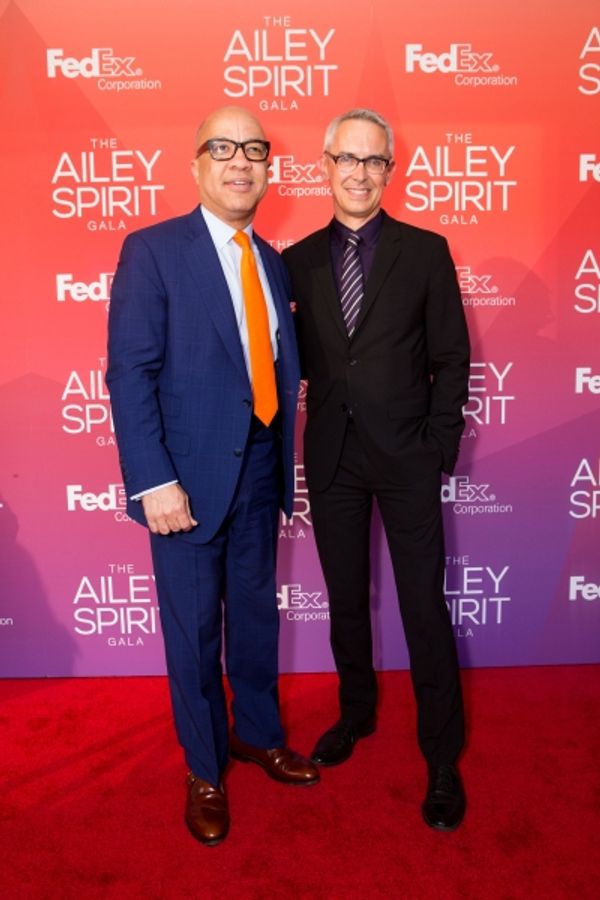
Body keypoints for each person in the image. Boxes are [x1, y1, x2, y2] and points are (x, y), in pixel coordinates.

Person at [106, 105, 319, 847]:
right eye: (223, 148)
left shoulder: (273, 260)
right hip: (186, 485)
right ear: (196, 164)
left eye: (254, 150)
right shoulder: (154, 251)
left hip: (261, 474)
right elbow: (130, 374)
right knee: (194, 635)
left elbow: (272, 368)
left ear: (267, 169)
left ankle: (257, 734)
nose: (240, 162)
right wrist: (153, 480)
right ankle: (204, 766)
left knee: (256, 621)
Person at [282, 109, 470, 831]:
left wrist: (438, 447)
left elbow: (452, 357)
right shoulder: (293, 261)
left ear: (391, 171)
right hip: (332, 457)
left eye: (374, 162)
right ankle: (355, 714)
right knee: (345, 600)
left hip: (408, 458)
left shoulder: (426, 252)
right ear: (325, 166)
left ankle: (441, 755)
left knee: (424, 605)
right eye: (347, 160)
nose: (359, 173)